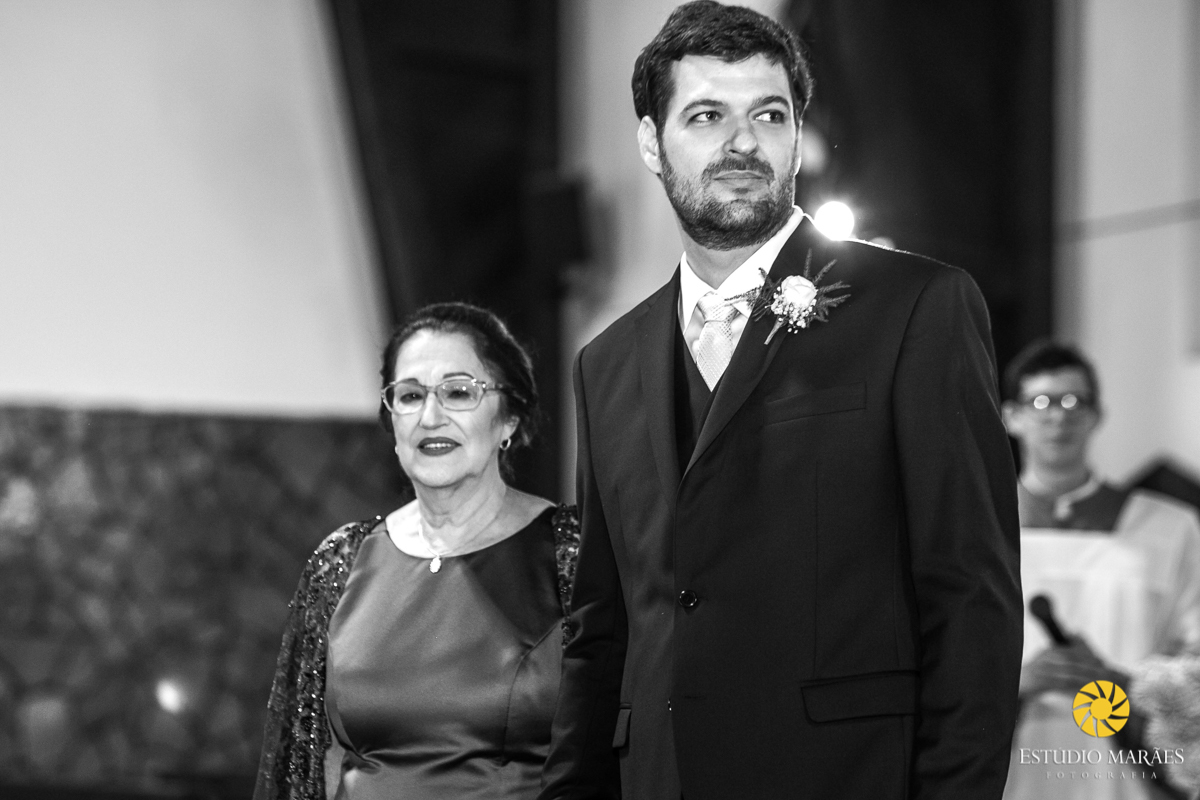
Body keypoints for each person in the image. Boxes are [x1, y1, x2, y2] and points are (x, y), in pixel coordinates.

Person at [540, 3, 1023, 799]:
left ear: (799, 134)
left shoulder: (916, 308)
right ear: (651, 143)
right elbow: (601, 632)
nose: (743, 143)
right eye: (706, 116)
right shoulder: (607, 362)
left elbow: (970, 597)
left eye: (769, 114)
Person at [254, 302, 579, 800]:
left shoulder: (571, 552)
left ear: (509, 418)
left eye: (458, 392)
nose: (430, 417)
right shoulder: (341, 561)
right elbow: (307, 766)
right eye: (410, 395)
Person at [1000, 339, 1200, 800]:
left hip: (1127, 773)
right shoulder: (977, 527)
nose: (1059, 417)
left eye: (1075, 401)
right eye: (1041, 402)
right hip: (1010, 769)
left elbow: (1192, 660)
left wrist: (1123, 683)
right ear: (1011, 417)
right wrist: (1011, 684)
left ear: (1097, 416)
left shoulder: (1168, 527)